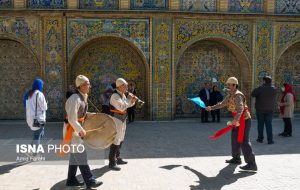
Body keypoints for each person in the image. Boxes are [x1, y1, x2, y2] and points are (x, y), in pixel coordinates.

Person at [206, 77, 257, 171]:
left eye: (229, 85)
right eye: (227, 85)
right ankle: (236, 158)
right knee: (234, 138)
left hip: (244, 120)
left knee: (243, 141)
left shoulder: (238, 95)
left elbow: (241, 109)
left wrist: (236, 120)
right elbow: (222, 104)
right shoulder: (230, 95)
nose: (228, 86)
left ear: (234, 85)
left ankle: (252, 164)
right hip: (237, 120)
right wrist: (211, 108)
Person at [63, 75, 102, 188]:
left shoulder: (82, 97)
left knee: (74, 156)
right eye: (87, 84)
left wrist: (91, 115)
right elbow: (71, 119)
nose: (89, 86)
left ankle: (71, 180)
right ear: (81, 86)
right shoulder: (74, 99)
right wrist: (81, 130)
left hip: (76, 129)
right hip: (72, 130)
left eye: (89, 83)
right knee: (81, 155)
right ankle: (90, 181)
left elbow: (81, 114)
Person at [108, 78, 137, 170]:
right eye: (125, 86)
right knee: (116, 139)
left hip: (123, 119)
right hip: (116, 119)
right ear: (120, 86)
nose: (127, 87)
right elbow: (121, 107)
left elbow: (127, 106)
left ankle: (118, 157)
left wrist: (133, 101)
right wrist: (129, 100)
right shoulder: (115, 96)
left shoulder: (123, 95)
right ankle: (112, 162)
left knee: (121, 138)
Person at [251, 76, 277, 144]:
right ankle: (270, 140)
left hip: (260, 110)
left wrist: (259, 87)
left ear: (264, 81)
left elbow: (252, 94)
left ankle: (260, 139)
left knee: (260, 125)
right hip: (270, 110)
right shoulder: (274, 89)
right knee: (269, 125)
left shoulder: (260, 88)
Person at [24, 79, 48, 152]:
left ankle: (30, 148)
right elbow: (45, 107)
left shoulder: (28, 94)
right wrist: (46, 103)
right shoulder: (39, 94)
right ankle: (34, 153)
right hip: (38, 119)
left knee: (39, 133)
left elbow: (26, 105)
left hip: (30, 118)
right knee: (37, 136)